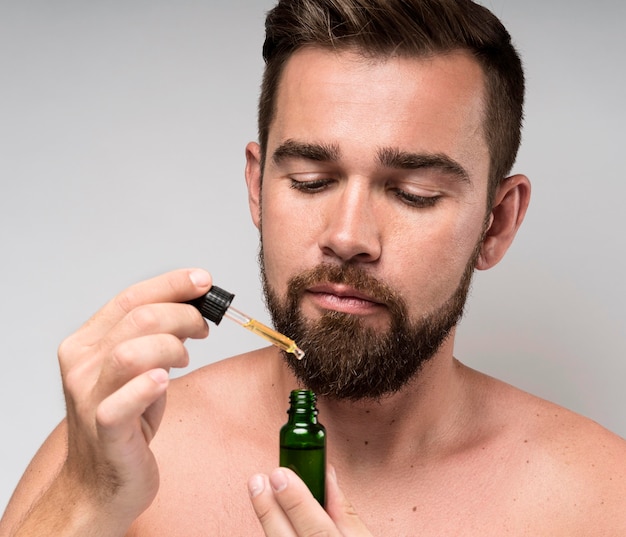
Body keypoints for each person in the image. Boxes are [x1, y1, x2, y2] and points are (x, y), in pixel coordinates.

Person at [2, 0, 626, 535]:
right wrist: (79, 506)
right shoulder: (114, 461)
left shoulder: (600, 500)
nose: (348, 237)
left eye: (414, 193)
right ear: (257, 187)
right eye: (310, 182)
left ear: (497, 223)